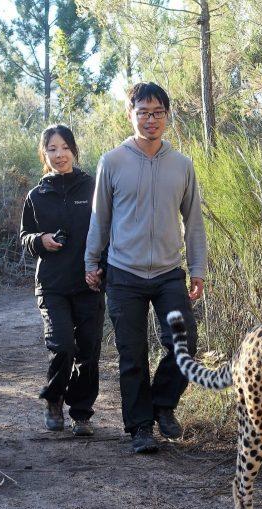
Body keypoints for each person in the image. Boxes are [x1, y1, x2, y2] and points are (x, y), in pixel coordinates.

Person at [84, 82, 206, 454]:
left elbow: (194, 221)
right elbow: (99, 218)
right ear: (131, 114)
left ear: (167, 116)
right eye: (143, 112)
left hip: (169, 271)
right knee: (132, 353)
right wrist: (92, 261)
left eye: (158, 113)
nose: (151, 120)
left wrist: (197, 267)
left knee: (183, 343)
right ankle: (140, 428)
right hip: (124, 273)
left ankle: (163, 404)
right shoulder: (113, 161)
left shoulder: (182, 165)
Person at [20, 125, 103, 437]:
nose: (59, 154)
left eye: (65, 147)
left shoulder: (92, 187)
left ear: (74, 150)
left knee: (89, 350)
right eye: (52, 149)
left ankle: (81, 413)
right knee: (63, 346)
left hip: (89, 282)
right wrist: (41, 240)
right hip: (52, 285)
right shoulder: (36, 196)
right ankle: (54, 398)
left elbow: (106, 231)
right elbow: (24, 238)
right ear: (44, 154)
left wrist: (101, 269)